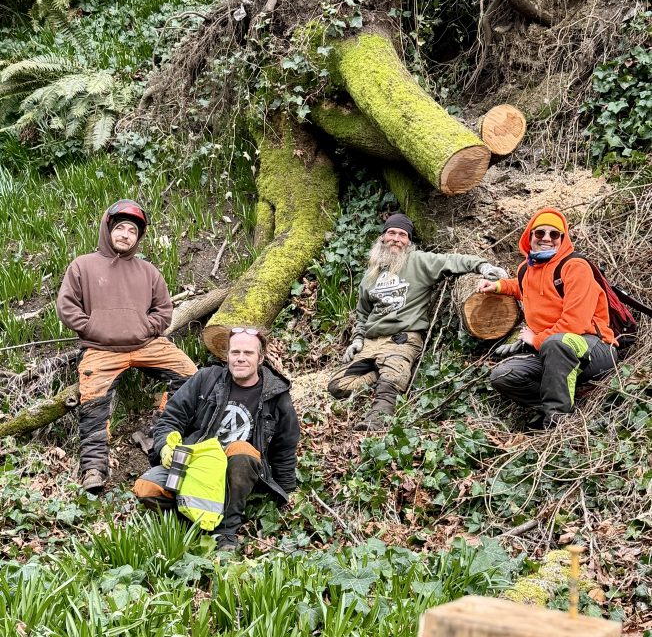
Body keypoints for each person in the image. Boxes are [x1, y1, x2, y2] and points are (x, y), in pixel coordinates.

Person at [56, 199, 197, 492]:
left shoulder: (148, 271)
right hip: (100, 349)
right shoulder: (83, 265)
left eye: (132, 231)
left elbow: (164, 311)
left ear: (138, 237)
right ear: (108, 229)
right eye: (120, 228)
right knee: (93, 401)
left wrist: (145, 328)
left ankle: (160, 431)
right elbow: (67, 307)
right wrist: (93, 328)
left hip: (146, 344)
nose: (125, 235)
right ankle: (94, 469)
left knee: (190, 375)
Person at [327, 213, 508, 430]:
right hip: (371, 343)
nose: (396, 239)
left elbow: (453, 260)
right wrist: (357, 339)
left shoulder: (419, 261)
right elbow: (363, 313)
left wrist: (483, 267)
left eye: (402, 235)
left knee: (391, 382)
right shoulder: (371, 274)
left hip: (402, 339)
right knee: (337, 386)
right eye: (391, 233)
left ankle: (376, 421)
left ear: (408, 241)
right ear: (382, 237)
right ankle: (378, 372)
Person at [133, 327, 300, 551]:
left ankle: (226, 532)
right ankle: (191, 521)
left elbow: (285, 448)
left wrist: (287, 492)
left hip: (240, 472)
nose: (240, 358)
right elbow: (170, 419)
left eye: (248, 353)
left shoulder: (277, 396)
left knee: (242, 449)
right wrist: (165, 447)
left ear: (260, 358)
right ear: (227, 355)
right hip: (197, 464)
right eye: (235, 352)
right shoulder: (206, 379)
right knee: (147, 487)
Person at [477, 207, 618, 428]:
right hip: (552, 353)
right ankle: (566, 398)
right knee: (503, 376)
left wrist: (536, 340)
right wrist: (497, 286)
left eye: (554, 234)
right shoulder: (526, 269)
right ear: (530, 236)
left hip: (594, 349)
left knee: (556, 342)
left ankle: (559, 423)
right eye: (540, 233)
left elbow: (575, 323)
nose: (546, 238)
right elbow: (523, 287)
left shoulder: (575, 267)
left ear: (563, 238)